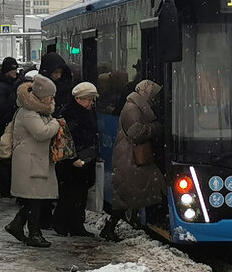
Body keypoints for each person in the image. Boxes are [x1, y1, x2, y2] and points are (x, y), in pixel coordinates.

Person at [100, 80, 165, 242]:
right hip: (129, 157)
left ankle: (120, 222)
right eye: (154, 95)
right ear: (147, 93)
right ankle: (110, 227)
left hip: (131, 156)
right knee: (127, 193)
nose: (155, 99)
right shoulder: (132, 108)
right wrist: (156, 127)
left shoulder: (137, 105)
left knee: (135, 190)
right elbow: (136, 133)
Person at [4, 73, 61, 248]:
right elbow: (41, 132)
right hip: (30, 161)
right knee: (34, 199)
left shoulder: (37, 110)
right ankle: (33, 233)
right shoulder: (28, 112)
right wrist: (57, 123)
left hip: (36, 159)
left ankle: (18, 225)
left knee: (35, 199)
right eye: (50, 96)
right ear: (42, 96)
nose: (52, 99)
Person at [53, 81, 100, 237]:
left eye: (93, 100)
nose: (91, 103)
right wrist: (75, 157)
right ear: (79, 99)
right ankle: (66, 224)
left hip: (82, 160)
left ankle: (73, 224)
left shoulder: (79, 111)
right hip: (74, 162)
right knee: (71, 195)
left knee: (78, 194)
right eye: (89, 99)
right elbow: (67, 139)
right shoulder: (71, 114)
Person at [0, 57, 21, 198]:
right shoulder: (1, 87)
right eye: (13, 69)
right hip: (3, 127)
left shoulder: (6, 85)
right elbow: (1, 109)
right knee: (5, 157)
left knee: (6, 156)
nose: (15, 71)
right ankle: (4, 187)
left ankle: (5, 186)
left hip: (6, 126)